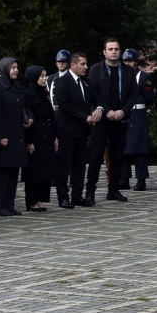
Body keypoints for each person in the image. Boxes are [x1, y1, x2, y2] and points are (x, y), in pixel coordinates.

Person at [86, 39, 133, 202]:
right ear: (104, 52)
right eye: (110, 49)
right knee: (96, 156)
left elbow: (133, 94)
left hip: (120, 119)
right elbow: (92, 93)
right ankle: (90, 191)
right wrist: (106, 111)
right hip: (102, 119)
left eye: (116, 49)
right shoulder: (95, 70)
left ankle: (113, 189)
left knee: (117, 155)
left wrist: (123, 111)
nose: (114, 52)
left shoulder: (128, 71)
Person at [51, 51, 100, 207]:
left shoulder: (86, 82)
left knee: (79, 166)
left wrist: (98, 108)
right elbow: (65, 106)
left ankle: (77, 196)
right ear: (73, 65)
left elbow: (96, 98)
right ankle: (63, 197)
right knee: (64, 166)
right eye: (82, 64)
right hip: (66, 131)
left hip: (83, 131)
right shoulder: (62, 82)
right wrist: (85, 117)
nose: (86, 67)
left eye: (86, 64)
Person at [0, 58, 28, 216]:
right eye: (13, 67)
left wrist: (27, 118)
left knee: (13, 171)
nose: (16, 70)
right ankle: (0, 205)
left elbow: (22, 106)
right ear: (4, 69)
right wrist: (1, 135)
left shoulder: (16, 86)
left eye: (17, 67)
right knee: (2, 172)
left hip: (16, 134)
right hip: (2, 136)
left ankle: (10, 204)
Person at [120, 47, 157, 191]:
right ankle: (124, 178)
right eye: (126, 60)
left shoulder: (143, 77)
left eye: (130, 60)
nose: (128, 63)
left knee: (140, 149)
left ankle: (141, 180)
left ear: (135, 62)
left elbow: (149, 97)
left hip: (138, 114)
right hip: (124, 114)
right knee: (123, 148)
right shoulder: (119, 75)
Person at [22, 65, 59, 212]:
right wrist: (29, 141)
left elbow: (50, 115)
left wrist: (55, 136)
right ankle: (31, 200)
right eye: (41, 76)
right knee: (34, 170)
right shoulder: (28, 93)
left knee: (45, 169)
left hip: (47, 135)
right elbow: (27, 117)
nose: (45, 78)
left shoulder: (44, 92)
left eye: (45, 75)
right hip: (35, 135)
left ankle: (41, 198)